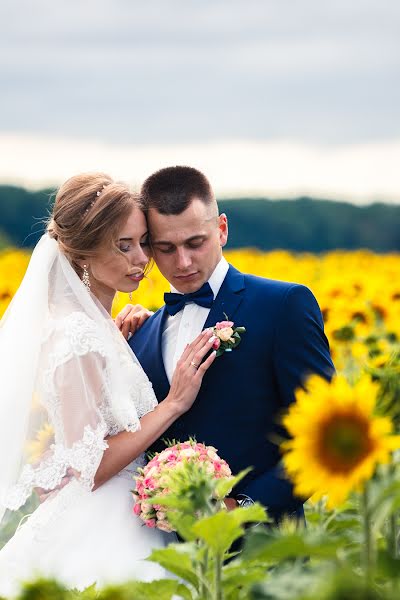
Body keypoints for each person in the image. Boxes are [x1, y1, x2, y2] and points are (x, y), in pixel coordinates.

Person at [0, 172, 216, 596]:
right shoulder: (76, 335)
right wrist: (172, 404)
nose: (142, 259)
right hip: (102, 525)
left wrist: (120, 345)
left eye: (142, 242)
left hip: (126, 513)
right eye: (124, 246)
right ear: (83, 253)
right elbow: (89, 467)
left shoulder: (97, 329)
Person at [129, 166, 335, 520]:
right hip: (163, 557)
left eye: (196, 243)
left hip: (267, 555)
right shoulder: (141, 334)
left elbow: (324, 435)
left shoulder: (283, 305)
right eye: (165, 248)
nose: (183, 262)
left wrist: (243, 508)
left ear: (221, 229)